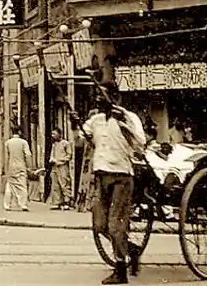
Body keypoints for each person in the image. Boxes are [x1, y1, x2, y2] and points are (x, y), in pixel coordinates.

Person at [71, 84, 147, 284]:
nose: (98, 100)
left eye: (102, 96)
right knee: (100, 225)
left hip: (121, 177)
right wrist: (75, 124)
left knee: (115, 225)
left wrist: (125, 123)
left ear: (115, 98)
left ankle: (120, 270)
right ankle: (132, 249)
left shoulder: (129, 117)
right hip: (101, 176)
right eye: (96, 96)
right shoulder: (95, 120)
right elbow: (80, 141)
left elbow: (140, 144)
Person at [3, 129, 32, 212]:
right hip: (21, 166)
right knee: (22, 185)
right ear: (19, 132)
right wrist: (29, 167)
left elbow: (6, 156)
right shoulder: (24, 142)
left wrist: (6, 168)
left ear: (12, 132)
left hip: (11, 166)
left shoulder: (8, 143)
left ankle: (7, 205)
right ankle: (23, 205)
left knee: (10, 185)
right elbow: (28, 155)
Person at [49, 128, 73, 211]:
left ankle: (67, 201)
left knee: (64, 183)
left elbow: (69, 155)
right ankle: (57, 202)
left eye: (54, 134)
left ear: (59, 134)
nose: (53, 136)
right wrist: (52, 159)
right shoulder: (54, 144)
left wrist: (61, 160)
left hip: (63, 166)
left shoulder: (65, 143)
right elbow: (52, 153)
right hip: (55, 166)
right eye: (52, 134)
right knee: (55, 184)